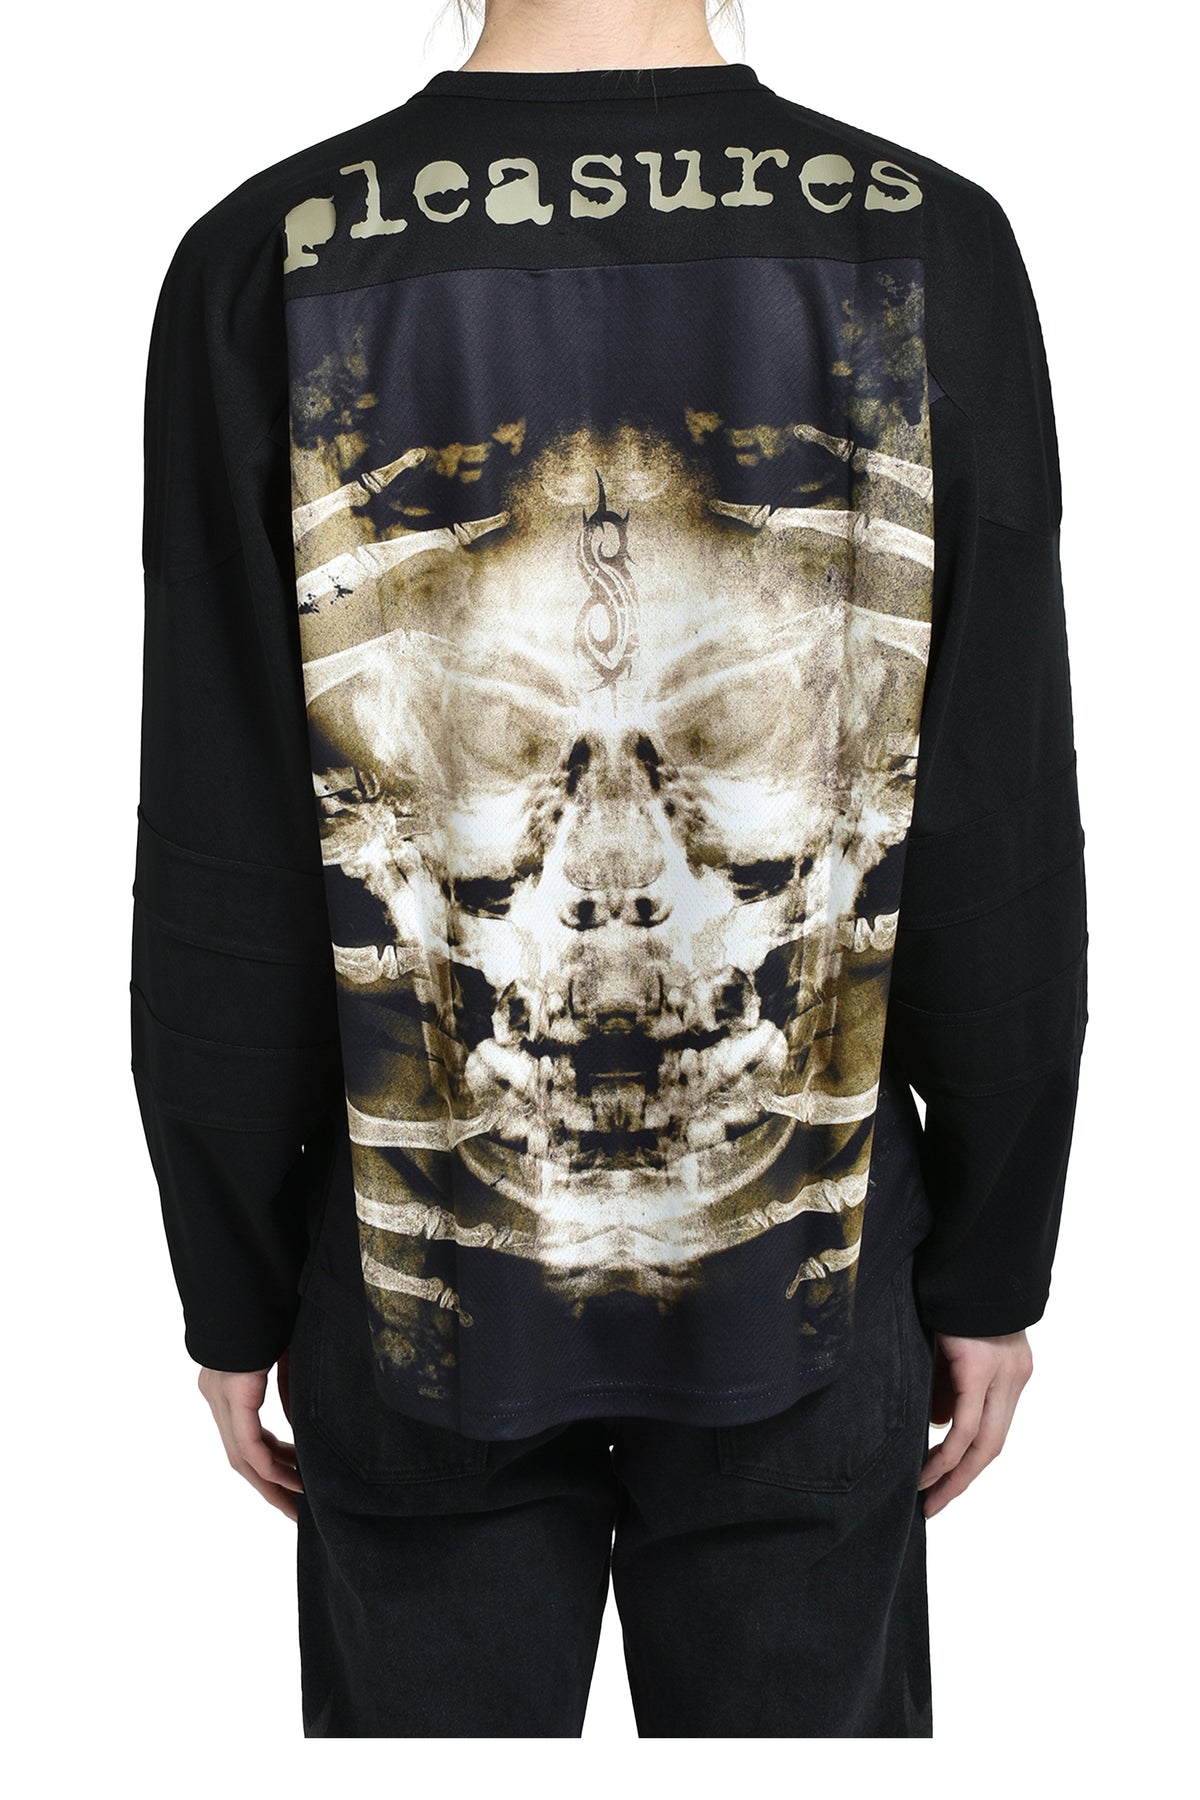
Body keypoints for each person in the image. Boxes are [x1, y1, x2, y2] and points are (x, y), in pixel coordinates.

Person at [130, 0, 1088, 1736]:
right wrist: (989, 1266)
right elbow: (995, 816)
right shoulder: (918, 242)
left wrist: (232, 1286)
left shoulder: (272, 254)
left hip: (407, 1309)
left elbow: (222, 841)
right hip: (816, 1301)